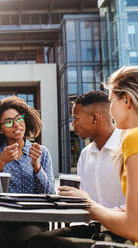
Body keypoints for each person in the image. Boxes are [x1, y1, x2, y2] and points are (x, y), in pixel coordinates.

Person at [48, 66, 138, 246]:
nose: (110, 109)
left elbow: (133, 227)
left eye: (112, 100)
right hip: (99, 227)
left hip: (123, 235)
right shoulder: (86, 154)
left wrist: (87, 204)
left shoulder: (131, 139)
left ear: (127, 101)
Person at [25, 91, 128, 248]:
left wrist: (89, 206)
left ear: (95, 118)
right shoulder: (86, 154)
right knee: (34, 242)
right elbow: (84, 203)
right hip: (93, 228)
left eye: (75, 118)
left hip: (124, 232)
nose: (72, 124)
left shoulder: (126, 148)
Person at [0, 95, 55, 248]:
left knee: (23, 239)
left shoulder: (41, 152)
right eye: (8, 122)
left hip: (32, 219)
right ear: (0, 129)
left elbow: (50, 194)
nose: (16, 124)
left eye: (19, 118)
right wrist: (0, 163)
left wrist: (37, 167)